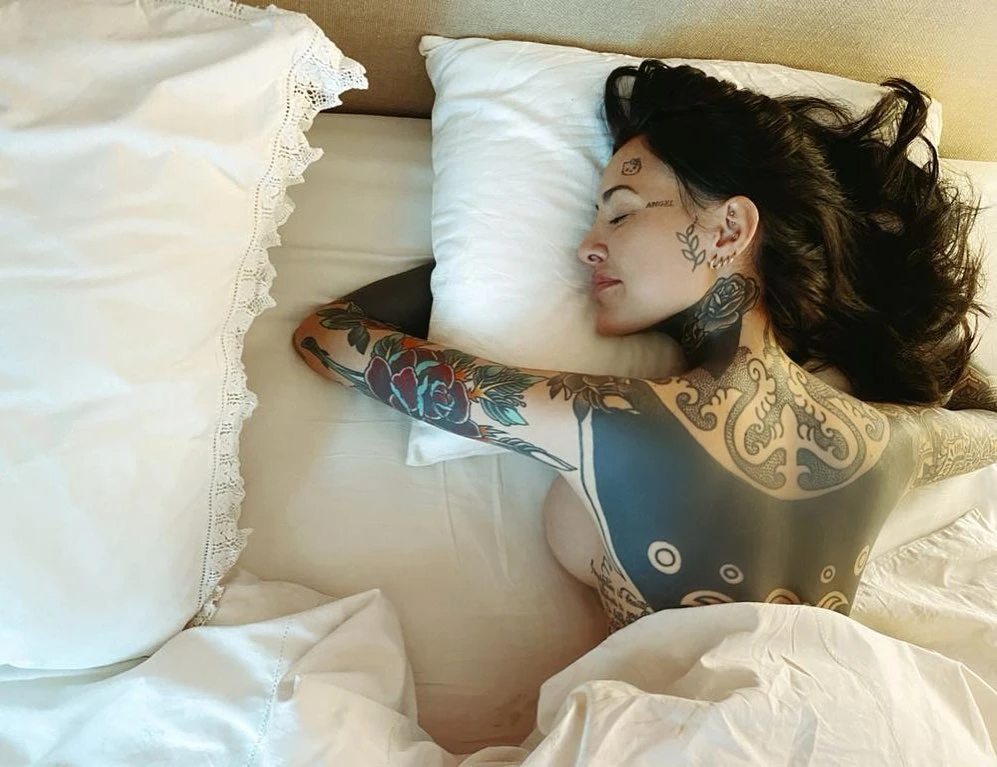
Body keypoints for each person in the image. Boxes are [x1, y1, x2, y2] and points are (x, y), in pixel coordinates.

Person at [293, 61, 997, 633]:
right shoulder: (888, 442)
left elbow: (327, 336)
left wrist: (471, 264)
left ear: (729, 230)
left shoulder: (603, 420)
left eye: (621, 213)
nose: (586, 246)